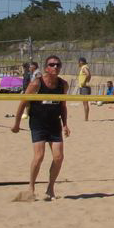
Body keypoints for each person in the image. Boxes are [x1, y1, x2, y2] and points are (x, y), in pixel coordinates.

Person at [13, 56, 69, 201]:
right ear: (46, 68)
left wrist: (65, 124)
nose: (55, 67)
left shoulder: (63, 84)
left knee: (59, 157)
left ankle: (50, 188)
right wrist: (17, 124)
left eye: (58, 65)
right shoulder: (37, 83)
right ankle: (31, 188)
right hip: (38, 123)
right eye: (52, 65)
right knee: (39, 157)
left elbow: (63, 106)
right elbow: (22, 103)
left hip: (54, 123)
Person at [76, 57, 93, 122]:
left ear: (81, 62)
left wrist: (85, 82)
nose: (78, 63)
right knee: (85, 103)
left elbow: (88, 74)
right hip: (84, 87)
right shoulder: (84, 67)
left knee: (85, 103)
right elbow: (88, 75)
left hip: (84, 88)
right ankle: (86, 118)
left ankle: (86, 118)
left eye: (78, 62)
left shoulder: (84, 67)